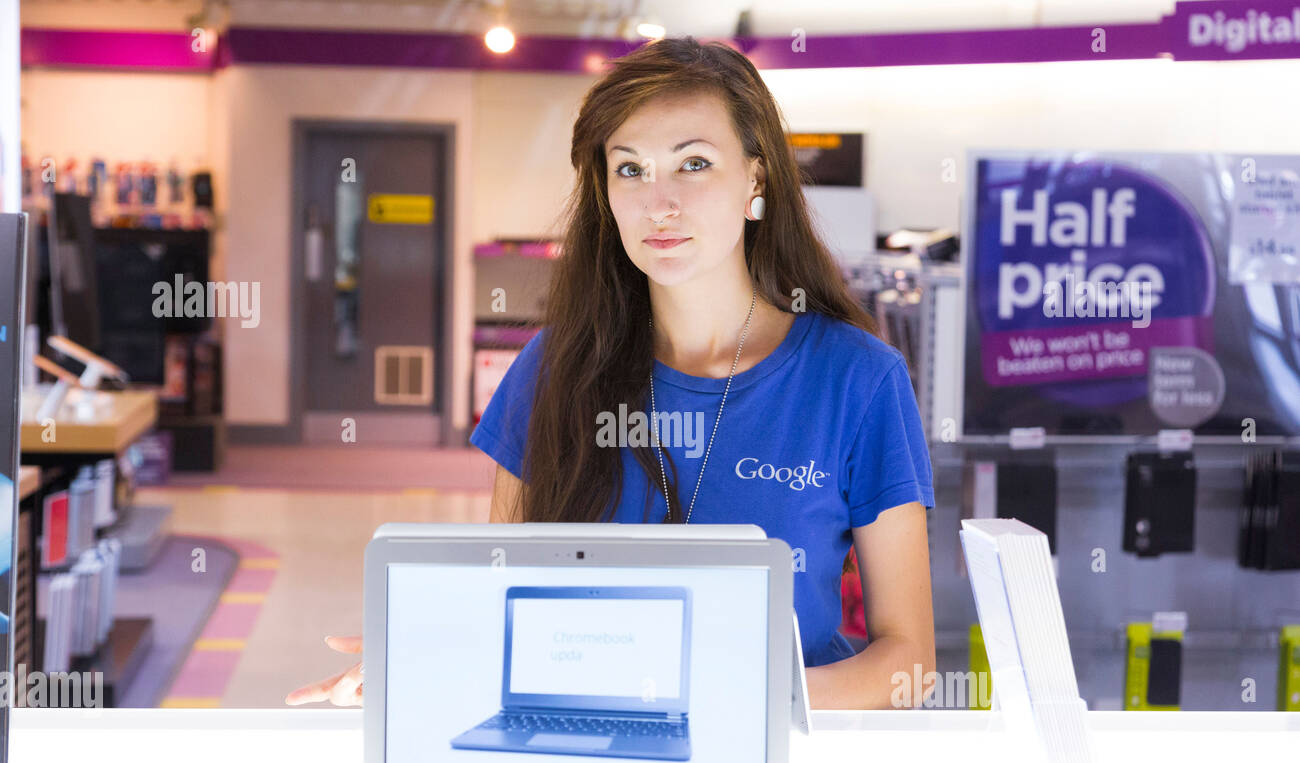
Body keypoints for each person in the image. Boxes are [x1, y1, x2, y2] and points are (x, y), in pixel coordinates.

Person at [287, 36, 935, 710]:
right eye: (630, 170)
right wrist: (431, 652)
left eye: (693, 163)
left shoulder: (857, 381)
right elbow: (500, 598)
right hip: (577, 752)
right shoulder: (555, 367)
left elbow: (910, 661)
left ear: (756, 181)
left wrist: (743, 702)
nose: (659, 203)